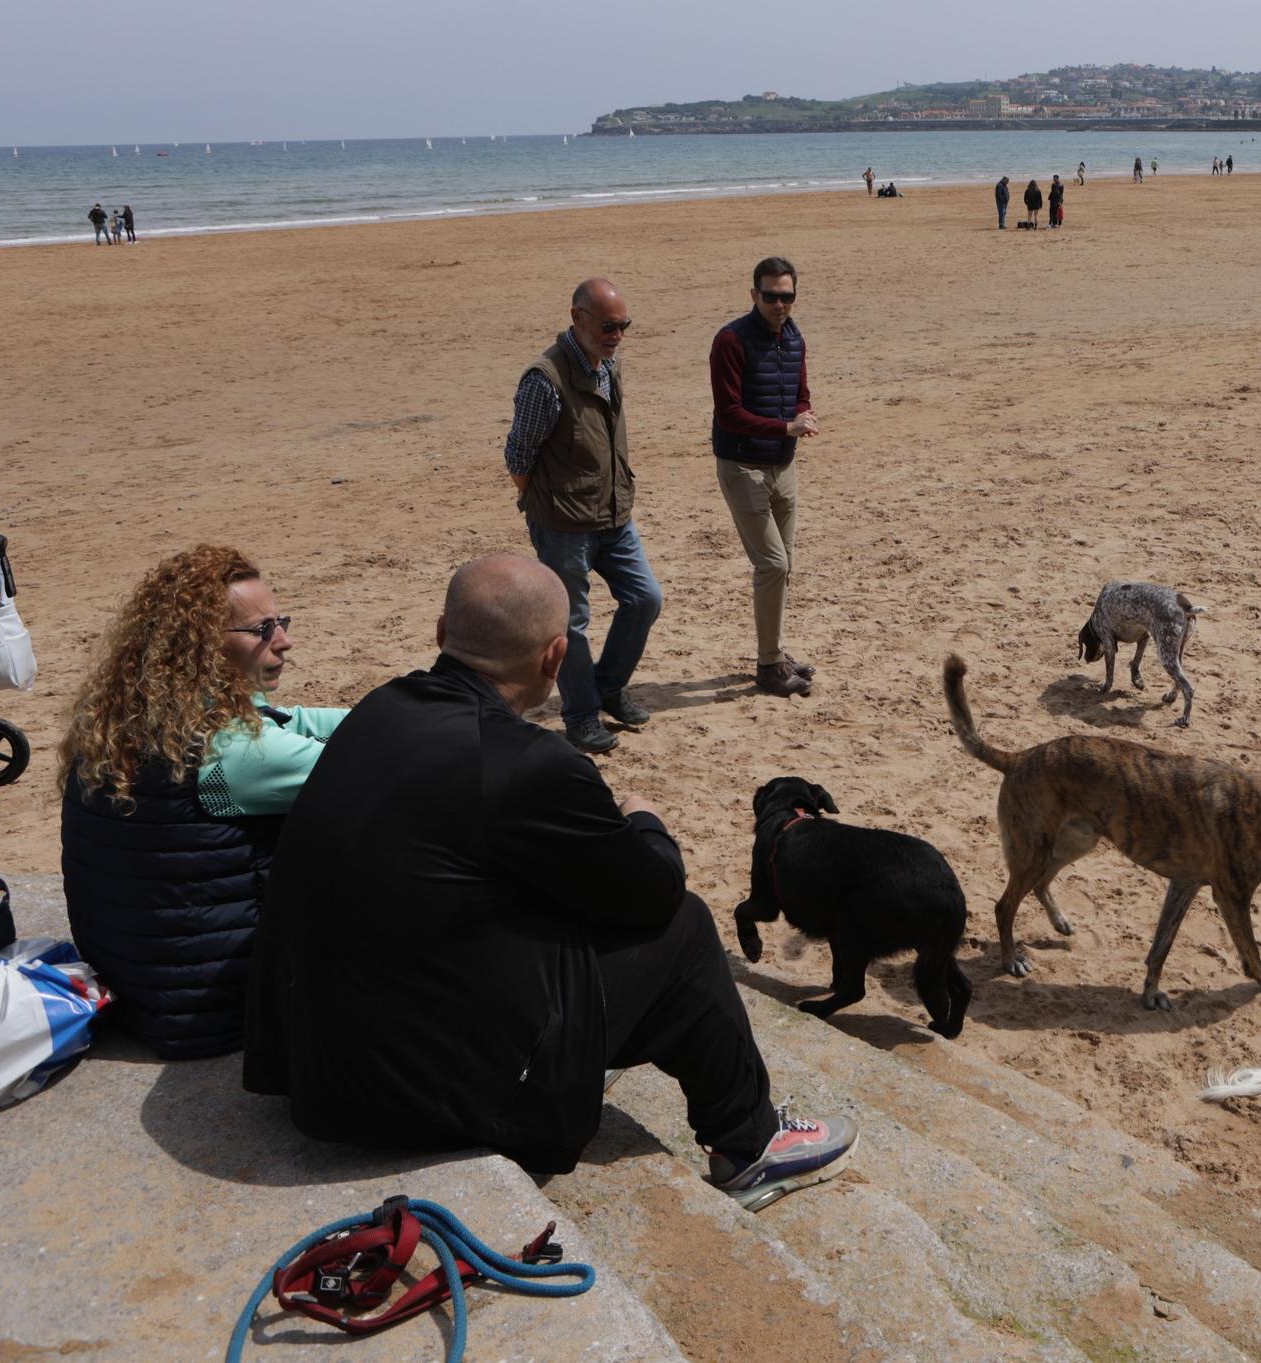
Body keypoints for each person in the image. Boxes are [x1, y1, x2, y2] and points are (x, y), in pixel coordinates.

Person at [243, 554, 858, 1203]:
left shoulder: (379, 708)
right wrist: (645, 820)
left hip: (312, 1072)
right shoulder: (530, 761)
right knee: (685, 927)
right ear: (555, 655)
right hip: (407, 1100)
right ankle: (751, 1142)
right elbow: (653, 895)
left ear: (439, 632)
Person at [60, 545, 347, 1058]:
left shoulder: (127, 717)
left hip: (145, 985)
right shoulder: (229, 751)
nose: (284, 641)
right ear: (203, 646)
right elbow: (390, 769)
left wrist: (402, 707)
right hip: (219, 1010)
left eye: (280, 621)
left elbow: (290, 720)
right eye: (263, 630)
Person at [503, 277, 663, 755]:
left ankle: (607, 687)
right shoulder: (544, 379)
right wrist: (545, 505)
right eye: (609, 326)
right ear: (578, 318)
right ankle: (580, 716)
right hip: (563, 525)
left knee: (645, 599)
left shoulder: (608, 367)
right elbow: (517, 458)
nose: (617, 335)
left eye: (624, 326)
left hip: (614, 515)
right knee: (571, 622)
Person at [710, 256, 818, 698]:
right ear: (754, 295)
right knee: (772, 563)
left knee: (784, 565)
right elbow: (730, 413)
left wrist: (803, 415)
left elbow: (800, 394)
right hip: (742, 465)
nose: (779, 304)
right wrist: (785, 427)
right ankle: (769, 667)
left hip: (783, 464)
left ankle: (774, 653)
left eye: (786, 296)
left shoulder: (793, 337)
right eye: (771, 296)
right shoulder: (731, 341)